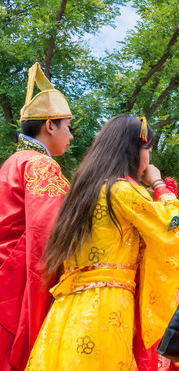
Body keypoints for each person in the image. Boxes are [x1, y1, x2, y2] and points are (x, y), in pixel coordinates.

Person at [25, 115, 179, 370]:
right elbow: (177, 225)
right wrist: (159, 184)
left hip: (66, 308)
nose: (148, 160)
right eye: (147, 150)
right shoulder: (122, 191)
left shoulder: (82, 193)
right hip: (106, 307)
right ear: (135, 149)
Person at [0, 63, 73, 371]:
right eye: (67, 127)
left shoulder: (13, 161)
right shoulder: (41, 167)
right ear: (49, 125)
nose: (70, 136)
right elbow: (49, 233)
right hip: (14, 288)